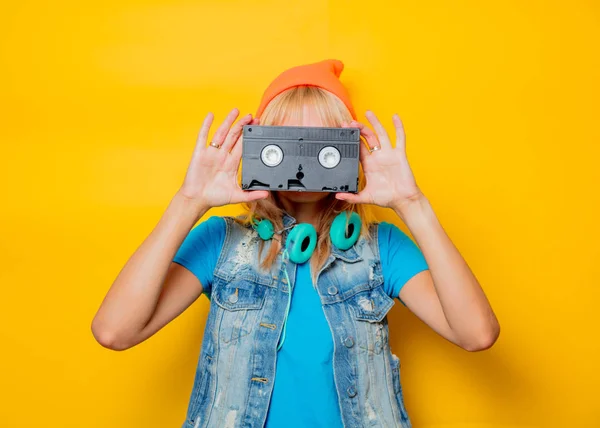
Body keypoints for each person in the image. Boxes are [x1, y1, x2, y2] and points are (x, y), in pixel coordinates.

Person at [91, 59, 500, 428]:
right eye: (284, 144)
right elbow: (114, 331)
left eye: (322, 145)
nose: (301, 163)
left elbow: (476, 335)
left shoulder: (381, 249)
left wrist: (412, 204)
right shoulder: (222, 242)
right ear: (258, 146)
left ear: (350, 150)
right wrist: (188, 201)